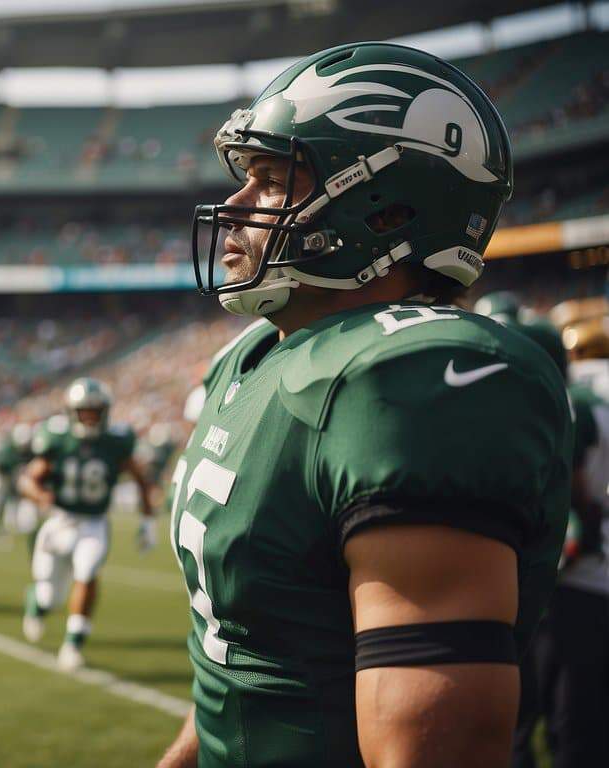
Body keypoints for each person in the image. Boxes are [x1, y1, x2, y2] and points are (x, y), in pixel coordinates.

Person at [156, 42, 571, 768]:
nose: (234, 204)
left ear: (384, 204)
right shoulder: (248, 358)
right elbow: (249, 658)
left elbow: (435, 746)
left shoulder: (420, 376)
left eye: (271, 178)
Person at [500, 307, 609, 768]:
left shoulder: (565, 402)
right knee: (579, 721)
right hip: (592, 572)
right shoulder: (586, 398)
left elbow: (576, 498)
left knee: (531, 722)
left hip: (563, 575)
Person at [19, 377, 156, 671]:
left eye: (96, 409)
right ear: (71, 411)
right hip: (60, 520)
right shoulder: (58, 437)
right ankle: (36, 605)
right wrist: (40, 495)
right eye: (85, 410)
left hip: (94, 522)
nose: (90, 415)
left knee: (88, 571)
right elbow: (29, 479)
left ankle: (73, 643)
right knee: (49, 596)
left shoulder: (117, 439)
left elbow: (141, 478)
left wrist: (147, 520)